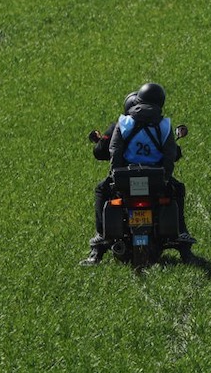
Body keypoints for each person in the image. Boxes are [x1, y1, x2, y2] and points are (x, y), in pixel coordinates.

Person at [82, 82, 197, 265]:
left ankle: (100, 237)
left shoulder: (124, 122)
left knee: (101, 190)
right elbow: (169, 154)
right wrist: (165, 177)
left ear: (139, 99)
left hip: (125, 178)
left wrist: (116, 174)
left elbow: (114, 150)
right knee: (178, 189)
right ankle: (182, 235)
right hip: (156, 178)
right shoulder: (165, 126)